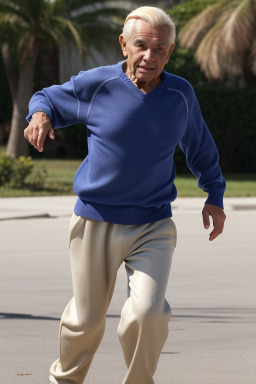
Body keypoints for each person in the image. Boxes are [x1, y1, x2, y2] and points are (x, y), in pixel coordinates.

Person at [24, 6, 226, 384]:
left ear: (171, 51)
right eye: (141, 45)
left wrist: (214, 194)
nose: (150, 56)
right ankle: (65, 380)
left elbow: (200, 147)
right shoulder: (97, 84)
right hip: (94, 221)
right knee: (85, 320)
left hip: (152, 223)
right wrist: (39, 115)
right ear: (124, 45)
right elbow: (46, 97)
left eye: (161, 49)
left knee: (148, 313)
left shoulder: (180, 94)